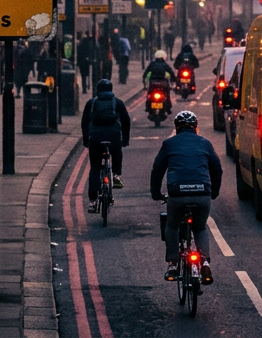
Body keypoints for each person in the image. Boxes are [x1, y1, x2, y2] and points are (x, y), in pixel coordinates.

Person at [149, 111, 222, 285]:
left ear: (176, 128)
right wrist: (214, 192)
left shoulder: (169, 144)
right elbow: (217, 170)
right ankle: (204, 262)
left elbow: (157, 171)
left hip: (178, 194)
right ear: (195, 127)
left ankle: (173, 264)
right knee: (200, 228)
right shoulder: (205, 143)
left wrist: (156, 193)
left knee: (172, 226)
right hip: (202, 193)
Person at [81, 79, 131, 211]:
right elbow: (126, 121)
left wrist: (86, 139)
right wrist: (125, 140)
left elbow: (84, 123)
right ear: (111, 89)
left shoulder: (91, 103)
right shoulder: (117, 102)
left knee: (95, 168)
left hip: (96, 138)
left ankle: (92, 201)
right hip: (113, 135)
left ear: (98, 90)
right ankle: (115, 174)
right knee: (117, 152)